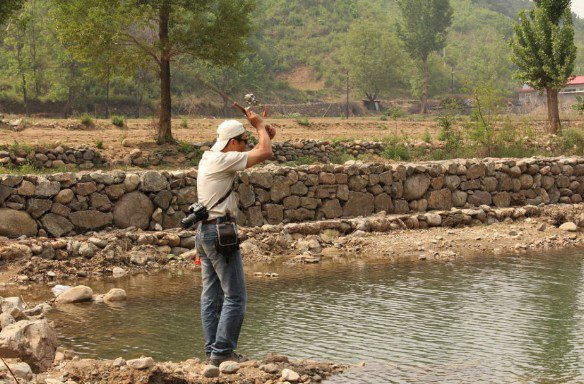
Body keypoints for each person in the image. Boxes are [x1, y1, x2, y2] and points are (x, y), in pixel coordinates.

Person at [195, 110, 275, 367]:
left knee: (212, 296)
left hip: (204, 232)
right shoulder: (224, 160)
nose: (244, 145)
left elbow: (257, 150)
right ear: (232, 143)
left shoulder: (210, 157)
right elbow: (264, 153)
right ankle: (223, 352)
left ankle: (213, 352)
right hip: (220, 233)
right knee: (236, 296)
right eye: (242, 141)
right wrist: (260, 126)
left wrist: (261, 134)